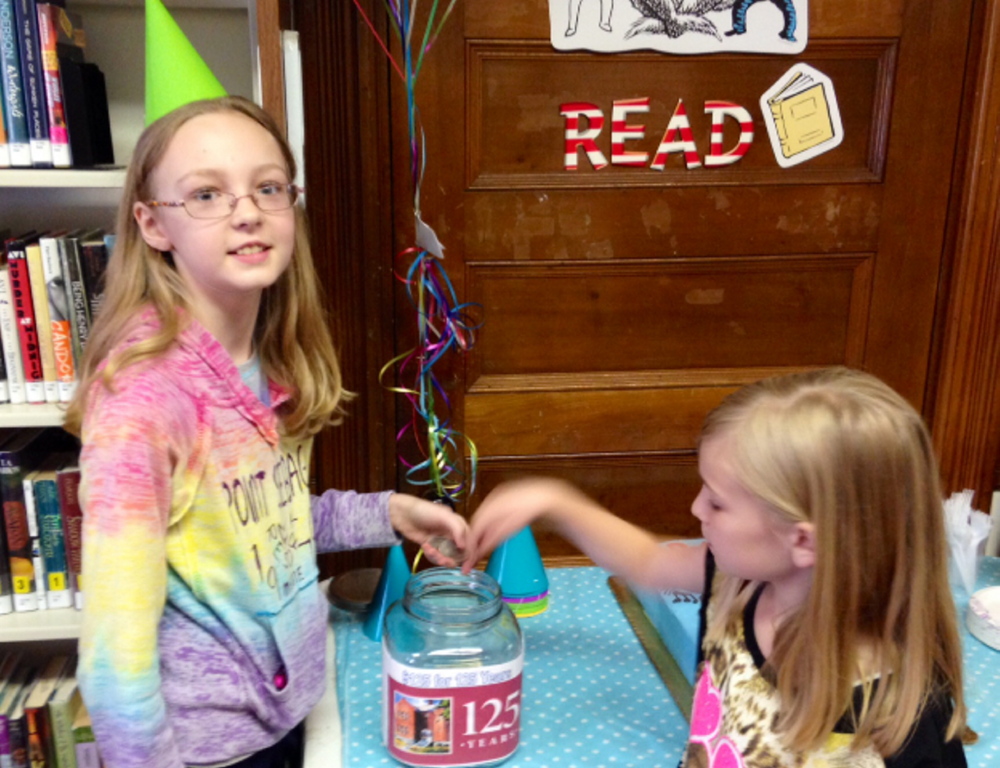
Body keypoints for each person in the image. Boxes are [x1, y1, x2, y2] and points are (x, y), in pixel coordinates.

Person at [63, 95, 468, 768]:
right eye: (206, 194)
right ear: (152, 224)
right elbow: (113, 659)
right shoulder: (142, 402)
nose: (246, 210)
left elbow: (259, 530)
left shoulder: (269, 359)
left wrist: (390, 513)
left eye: (267, 187)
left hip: (285, 720)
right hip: (207, 751)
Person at [462, 367, 969, 767]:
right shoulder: (736, 581)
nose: (696, 509)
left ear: (803, 541)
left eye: (719, 502)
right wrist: (553, 502)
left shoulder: (902, 707)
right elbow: (645, 560)